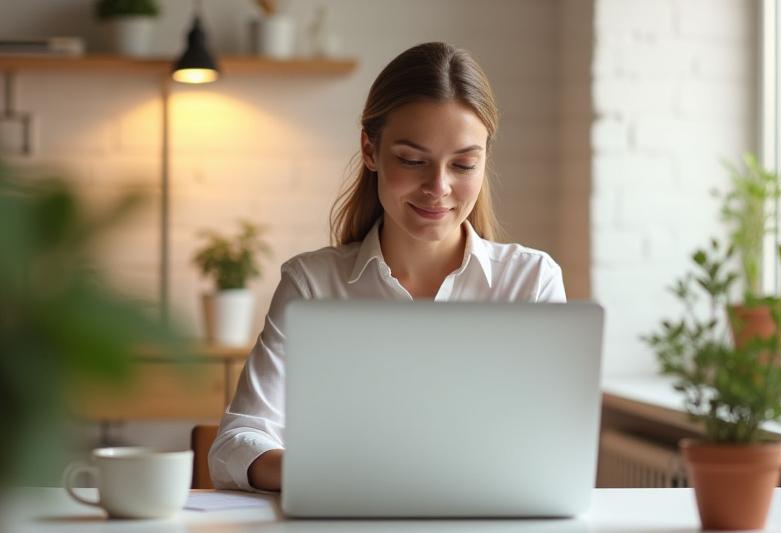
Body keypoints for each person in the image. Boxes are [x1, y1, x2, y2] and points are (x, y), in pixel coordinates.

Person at [208, 42, 566, 492]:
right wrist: (325, 476)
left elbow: (552, 449)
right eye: (412, 160)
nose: (438, 187)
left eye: (463, 164)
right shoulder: (313, 285)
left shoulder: (530, 283)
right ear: (370, 150)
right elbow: (234, 444)